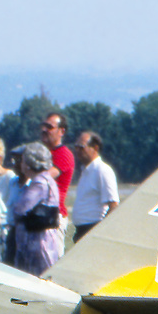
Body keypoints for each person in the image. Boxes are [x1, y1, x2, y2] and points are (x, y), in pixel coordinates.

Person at [11, 142, 64, 276]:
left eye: (22, 160)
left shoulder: (39, 183)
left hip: (37, 242)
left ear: (29, 163)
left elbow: (20, 209)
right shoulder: (48, 179)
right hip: (45, 239)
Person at [70, 131, 119, 242]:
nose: (77, 150)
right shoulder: (86, 171)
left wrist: (99, 232)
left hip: (92, 229)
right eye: (76, 147)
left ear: (95, 148)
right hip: (81, 231)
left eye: (81, 147)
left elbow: (114, 205)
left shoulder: (102, 170)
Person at [39, 112, 74, 231]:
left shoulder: (63, 154)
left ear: (61, 131)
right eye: (43, 126)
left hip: (54, 214)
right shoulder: (43, 153)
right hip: (40, 213)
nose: (44, 130)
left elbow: (43, 178)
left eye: (49, 127)